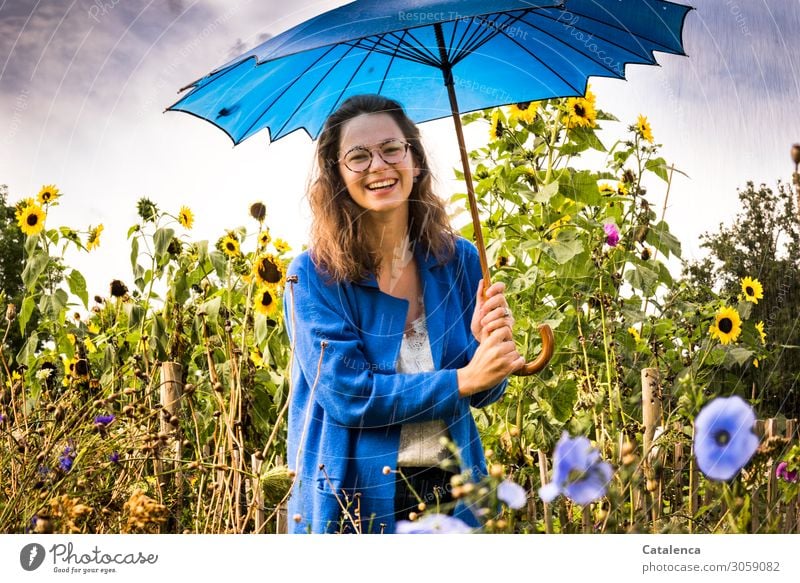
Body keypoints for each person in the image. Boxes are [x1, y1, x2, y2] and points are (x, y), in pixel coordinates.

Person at [283, 94, 524, 534]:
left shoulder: (460, 260)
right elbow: (348, 395)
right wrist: (464, 377)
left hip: (453, 489)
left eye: (392, 148)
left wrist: (491, 350)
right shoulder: (314, 276)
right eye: (357, 157)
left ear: (414, 158)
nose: (378, 165)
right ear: (337, 175)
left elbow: (485, 392)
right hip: (354, 495)